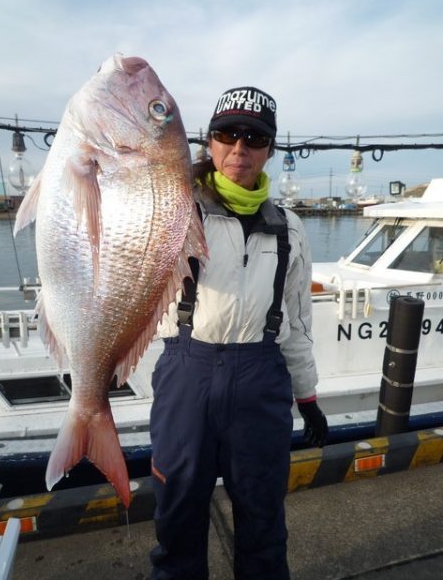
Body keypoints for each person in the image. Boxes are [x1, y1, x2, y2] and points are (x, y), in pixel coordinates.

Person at [149, 86, 328, 580]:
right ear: (209, 143)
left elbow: (296, 321)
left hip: (260, 379)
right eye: (227, 134)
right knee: (177, 518)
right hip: (188, 374)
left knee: (264, 523)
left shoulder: (289, 228)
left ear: (270, 148)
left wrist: (307, 396)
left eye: (255, 137)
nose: (239, 148)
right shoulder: (175, 208)